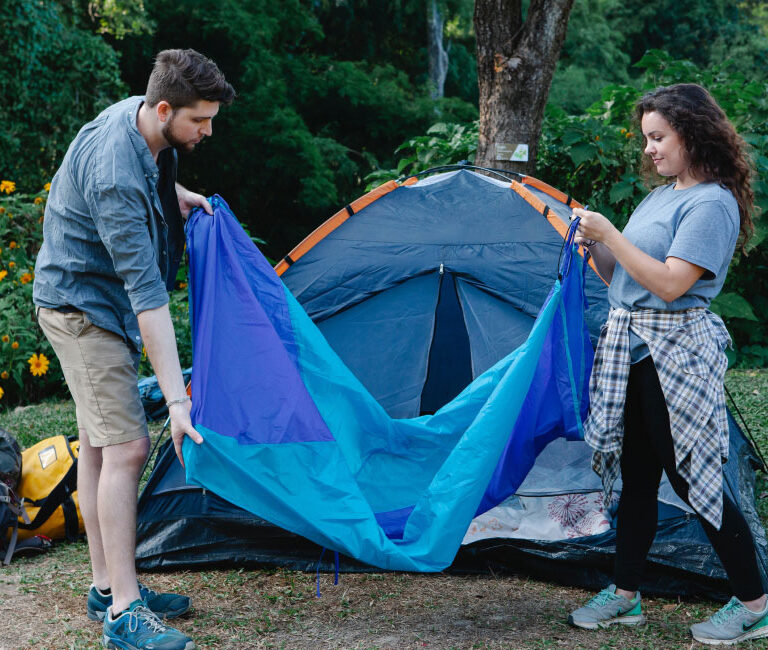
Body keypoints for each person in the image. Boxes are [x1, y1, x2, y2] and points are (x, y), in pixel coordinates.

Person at [33, 49, 234, 650]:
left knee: (99, 446)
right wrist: (177, 400)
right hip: (80, 311)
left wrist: (180, 197)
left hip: (99, 303)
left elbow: (150, 184)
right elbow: (150, 302)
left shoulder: (144, 123)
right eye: (200, 120)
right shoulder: (117, 170)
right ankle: (124, 613)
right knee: (128, 448)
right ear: (166, 108)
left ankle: (105, 588)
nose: (206, 131)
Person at [566, 83, 766, 645]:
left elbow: (674, 286)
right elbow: (629, 280)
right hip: (633, 348)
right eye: (647, 139)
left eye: (659, 137)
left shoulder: (712, 203)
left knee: (691, 475)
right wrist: (595, 247)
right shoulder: (660, 197)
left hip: (674, 352)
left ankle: (755, 603)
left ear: (691, 133)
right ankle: (626, 596)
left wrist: (611, 233)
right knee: (638, 478)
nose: (650, 149)